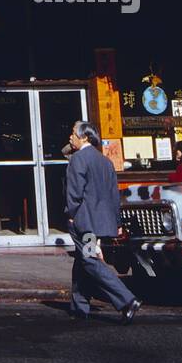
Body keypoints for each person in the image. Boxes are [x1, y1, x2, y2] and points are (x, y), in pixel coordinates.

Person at [64, 119, 139, 322]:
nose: (70, 137)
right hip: (101, 221)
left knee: (89, 260)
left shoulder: (79, 159)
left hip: (84, 222)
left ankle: (126, 299)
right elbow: (114, 195)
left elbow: (74, 193)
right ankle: (79, 306)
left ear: (84, 137)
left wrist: (71, 215)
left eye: (73, 133)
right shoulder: (105, 161)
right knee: (82, 261)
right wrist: (116, 221)